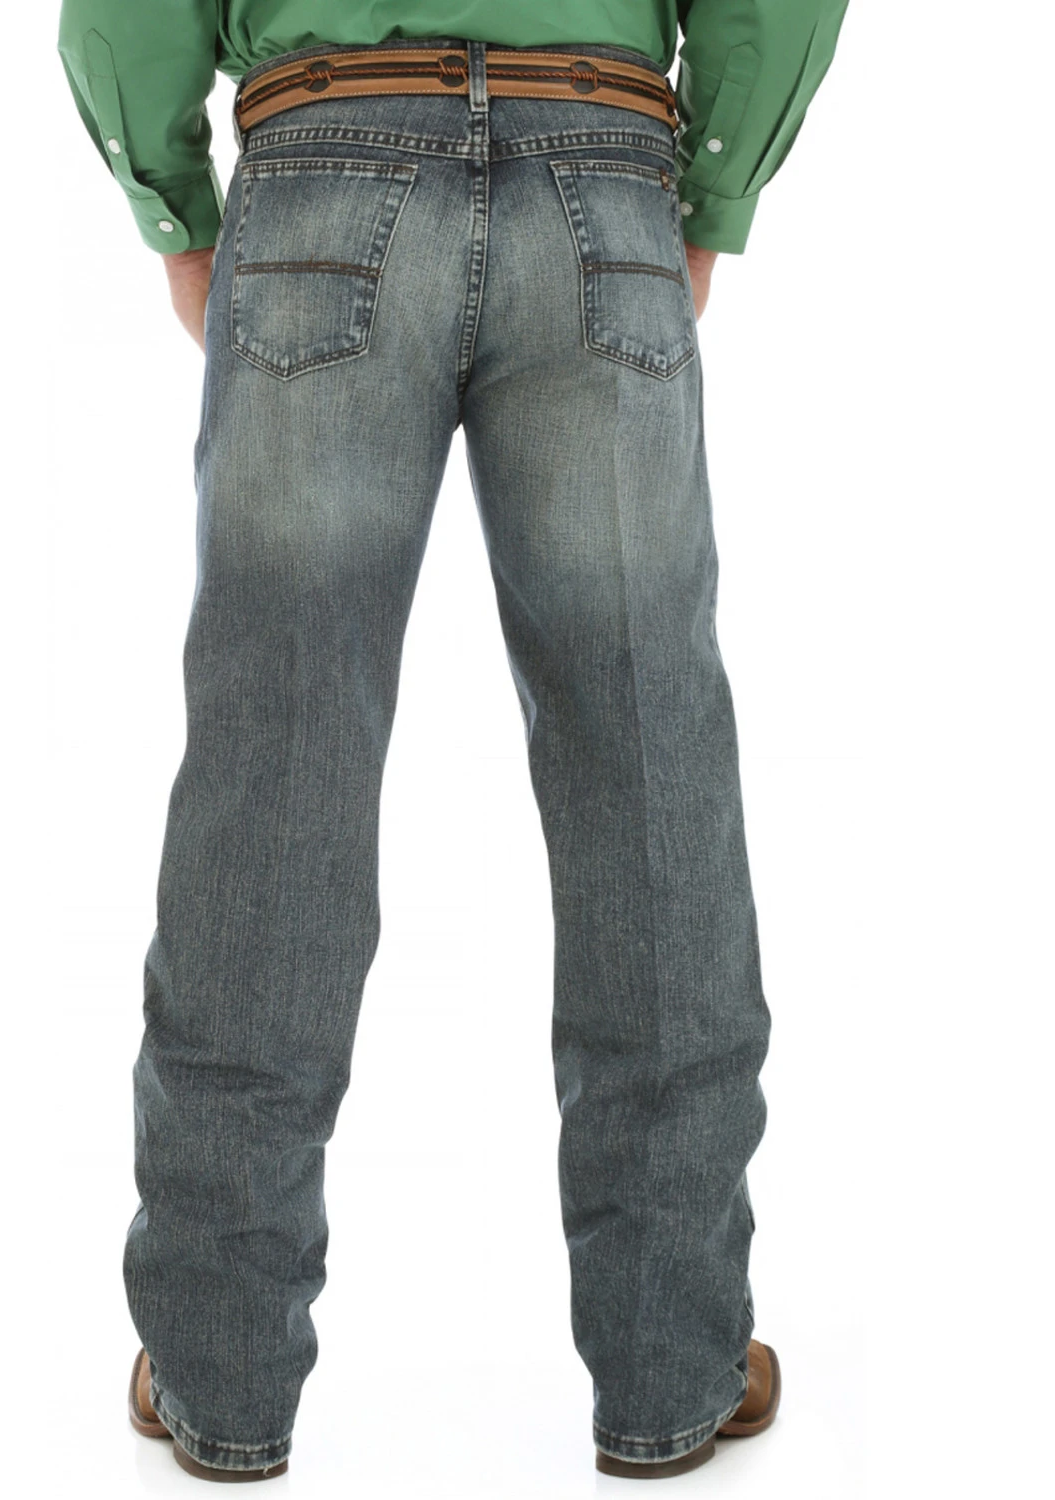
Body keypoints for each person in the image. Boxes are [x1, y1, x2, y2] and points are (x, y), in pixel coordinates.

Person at [57, 1, 848, 1483]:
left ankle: (221, 1373)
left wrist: (177, 215)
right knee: (649, 768)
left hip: (320, 169)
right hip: (603, 170)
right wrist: (713, 193)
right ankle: (673, 1368)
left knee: (272, 777)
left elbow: (123, 12)